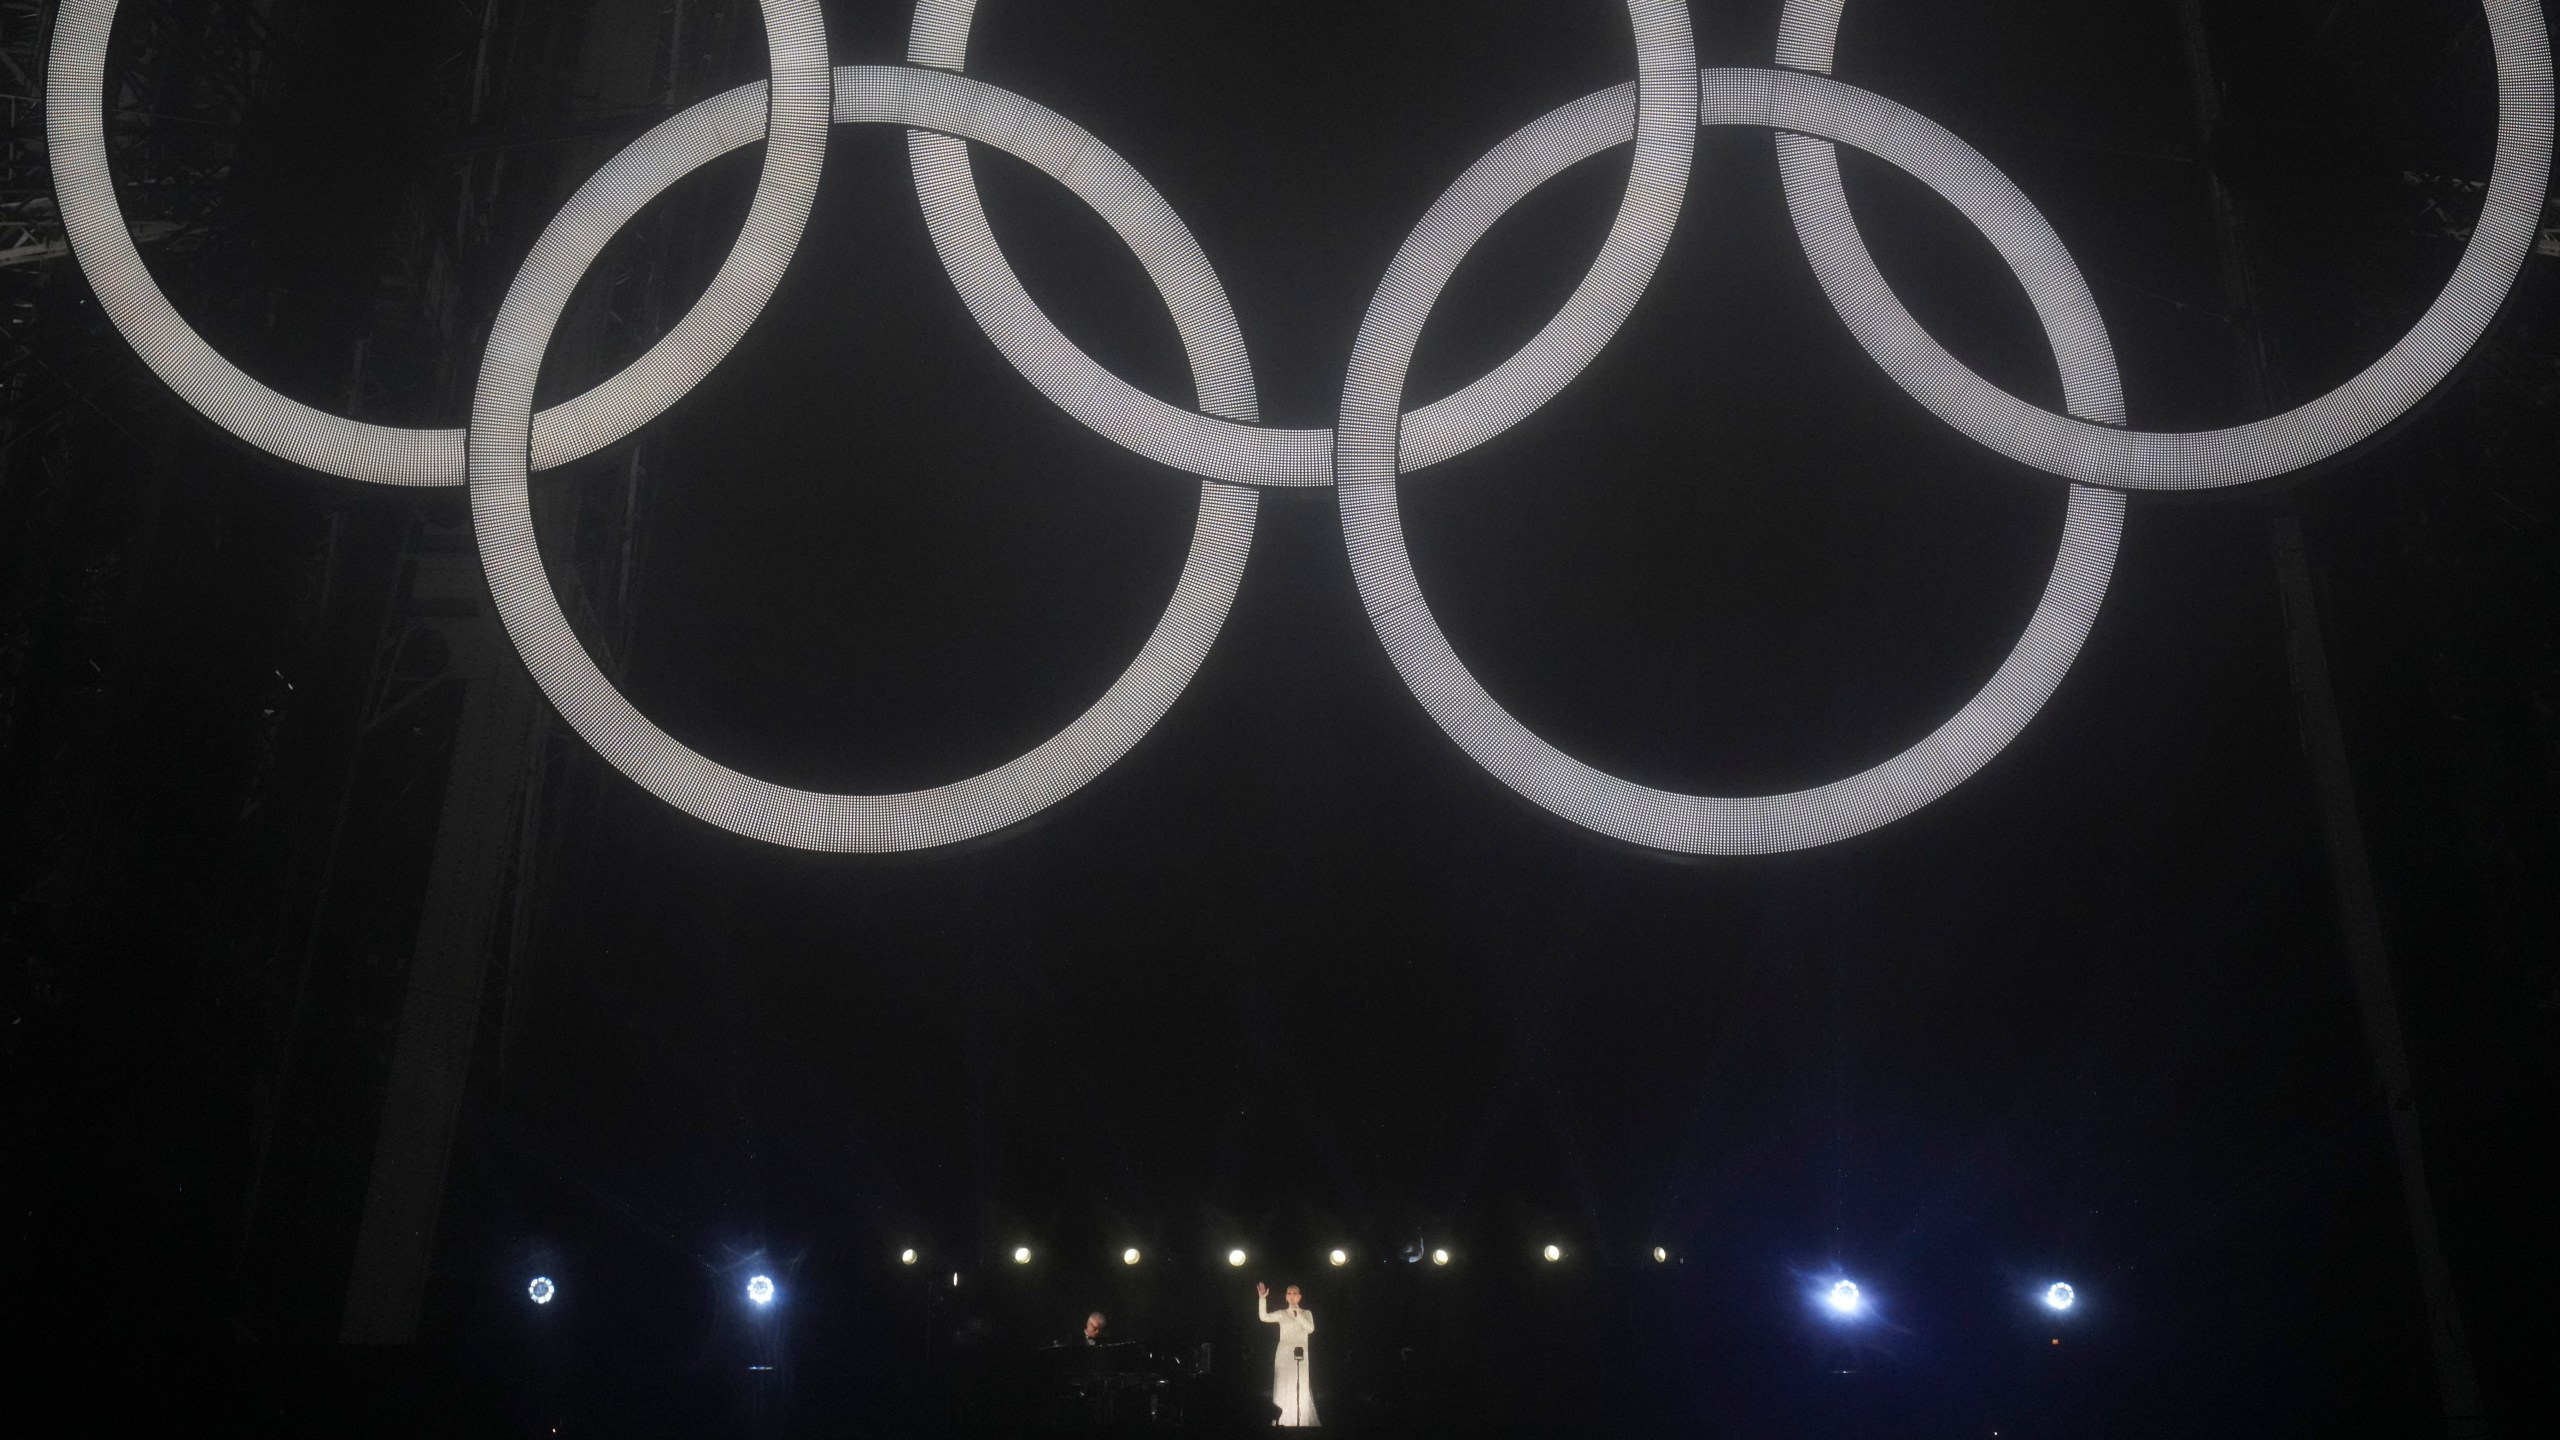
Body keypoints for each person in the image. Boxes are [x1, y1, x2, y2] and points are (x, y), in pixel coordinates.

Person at [1256, 1281, 1319, 1426]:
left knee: (1299, 1384)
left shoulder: (1306, 1313)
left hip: (1300, 1354)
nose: (1292, 1296)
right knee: (1283, 1384)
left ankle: (1300, 1421)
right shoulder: (1281, 1314)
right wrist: (1262, 1298)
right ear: (1285, 1296)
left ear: (1300, 1296)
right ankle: (1281, 1421)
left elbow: (1310, 1329)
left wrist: (1298, 1315)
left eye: (1295, 1293)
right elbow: (1263, 1317)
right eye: (1289, 1293)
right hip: (1283, 1354)